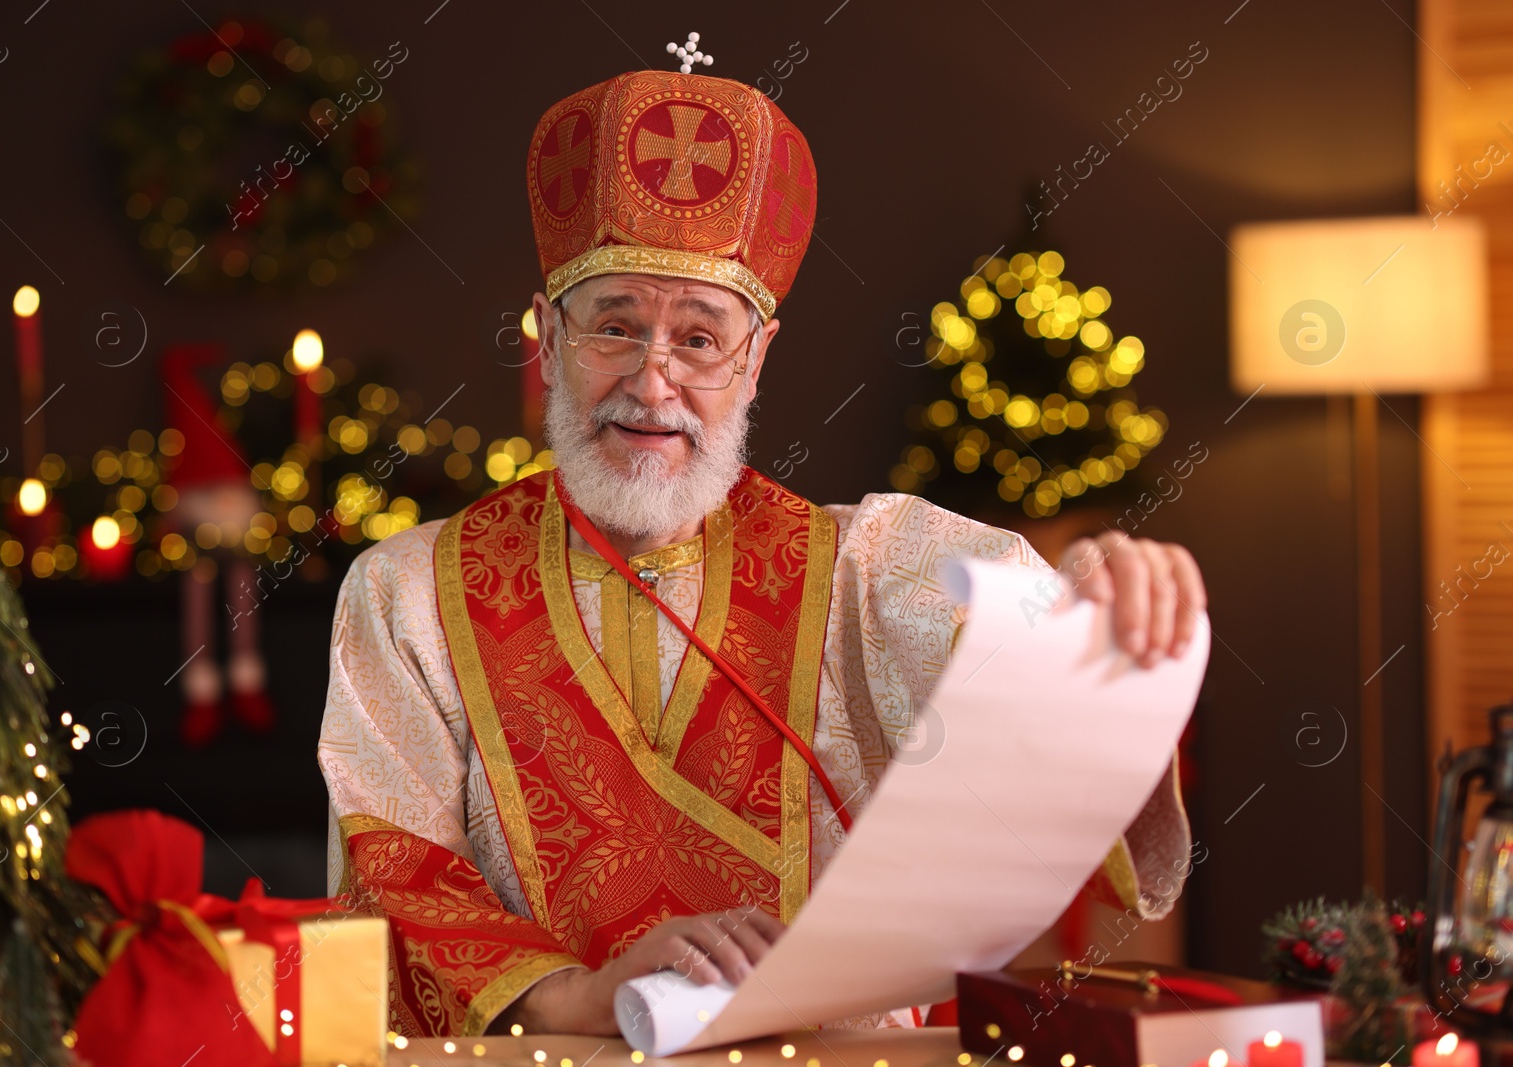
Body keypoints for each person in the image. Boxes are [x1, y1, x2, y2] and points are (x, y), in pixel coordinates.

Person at [317, 68, 1205, 1039]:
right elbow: (396, 870)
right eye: (613, 325)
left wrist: (1091, 617)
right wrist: (586, 993)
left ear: (757, 357)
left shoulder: (869, 566)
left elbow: (1030, 680)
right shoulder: (405, 590)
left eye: (699, 337)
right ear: (548, 337)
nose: (651, 381)